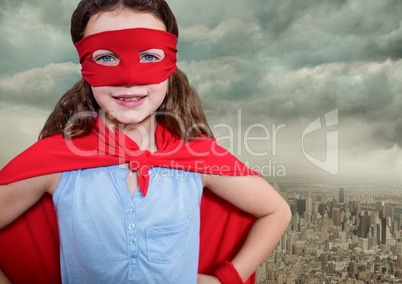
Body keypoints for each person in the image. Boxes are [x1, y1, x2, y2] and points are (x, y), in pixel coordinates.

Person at [0, 0, 291, 283]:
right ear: (84, 65)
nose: (129, 79)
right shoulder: (55, 161)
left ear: (171, 64)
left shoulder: (196, 158)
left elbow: (276, 211)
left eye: (149, 56)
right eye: (106, 57)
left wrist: (226, 279)